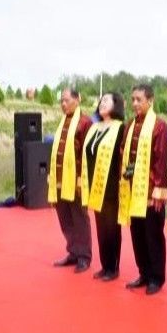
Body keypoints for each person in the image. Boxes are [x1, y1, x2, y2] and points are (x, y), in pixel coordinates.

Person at [119, 84, 167, 295]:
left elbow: (161, 161)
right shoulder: (130, 124)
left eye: (139, 99)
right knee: (137, 234)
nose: (135, 104)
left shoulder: (159, 127)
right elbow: (124, 151)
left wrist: (157, 190)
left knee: (153, 235)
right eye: (133, 99)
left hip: (150, 192)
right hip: (132, 190)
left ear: (151, 101)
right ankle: (144, 273)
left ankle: (156, 278)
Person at [81, 92, 125, 281]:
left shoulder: (120, 128)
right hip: (95, 185)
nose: (102, 104)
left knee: (111, 228)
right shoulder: (94, 127)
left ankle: (113, 268)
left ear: (116, 105)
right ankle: (105, 265)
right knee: (101, 227)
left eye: (106, 101)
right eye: (101, 101)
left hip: (111, 186)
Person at [48, 88, 93, 273]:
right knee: (65, 217)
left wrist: (82, 180)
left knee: (79, 217)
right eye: (61, 101)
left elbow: (87, 154)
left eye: (66, 100)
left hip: (75, 181)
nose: (63, 104)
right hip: (59, 179)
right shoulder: (63, 121)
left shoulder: (85, 122)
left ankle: (84, 256)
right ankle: (73, 251)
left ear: (78, 99)